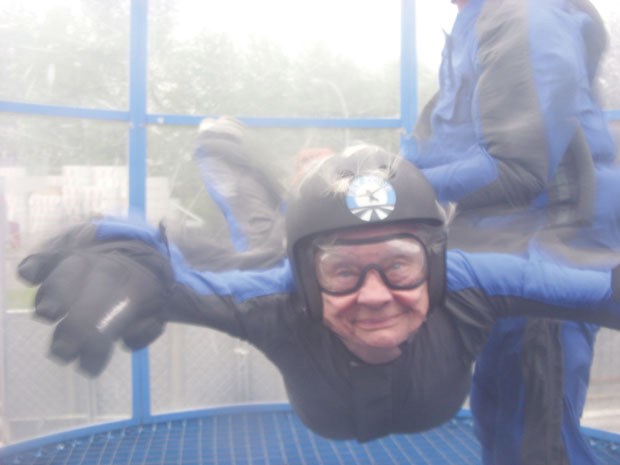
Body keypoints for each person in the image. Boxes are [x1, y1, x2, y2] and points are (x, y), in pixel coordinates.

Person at [18, 145, 620, 444]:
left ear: (435, 264)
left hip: (318, 330)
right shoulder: (278, 298)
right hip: (279, 268)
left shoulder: (465, 281)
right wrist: (121, 252)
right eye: (343, 273)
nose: (376, 296)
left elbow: (594, 288)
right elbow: (174, 277)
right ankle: (237, 175)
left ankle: (253, 191)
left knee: (261, 247)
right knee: (256, 248)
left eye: (401, 267)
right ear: (305, 281)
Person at [402, 0, 618, 463]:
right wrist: (371, 177)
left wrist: (400, 188)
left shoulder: (526, 14)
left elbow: (518, 168)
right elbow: (434, 140)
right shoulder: (473, 23)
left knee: (537, 433)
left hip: (547, 249)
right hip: (495, 250)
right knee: (498, 411)